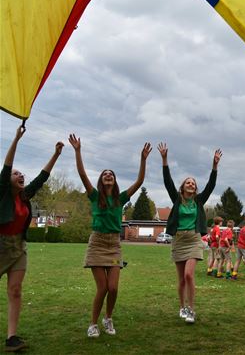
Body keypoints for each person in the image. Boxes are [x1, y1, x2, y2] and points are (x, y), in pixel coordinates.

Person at [69, 134, 151, 338]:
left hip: (114, 244)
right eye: (105, 174)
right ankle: (93, 323)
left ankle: (108, 317)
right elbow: (82, 174)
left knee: (113, 288)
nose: (108, 175)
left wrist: (142, 159)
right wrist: (78, 151)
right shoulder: (94, 196)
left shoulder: (120, 199)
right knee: (103, 287)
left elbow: (139, 181)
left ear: (114, 180)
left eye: (111, 174)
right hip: (97, 244)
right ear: (101, 179)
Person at [1, 126, 63, 352]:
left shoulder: (25, 196)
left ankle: (11, 338)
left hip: (18, 247)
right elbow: (6, 166)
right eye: (15, 174)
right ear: (6, 180)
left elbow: (42, 178)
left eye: (21, 174)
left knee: (15, 290)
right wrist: (16, 138)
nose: (20, 176)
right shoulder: (2, 193)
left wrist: (55, 154)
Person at [157, 142, 221, 324]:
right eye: (188, 182)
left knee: (188, 275)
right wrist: (164, 160)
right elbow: (167, 181)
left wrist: (214, 165)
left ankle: (191, 309)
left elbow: (211, 185)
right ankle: (182, 307)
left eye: (193, 183)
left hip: (193, 240)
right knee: (181, 279)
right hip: (178, 240)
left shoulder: (199, 201)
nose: (191, 184)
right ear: (183, 187)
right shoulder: (176, 199)